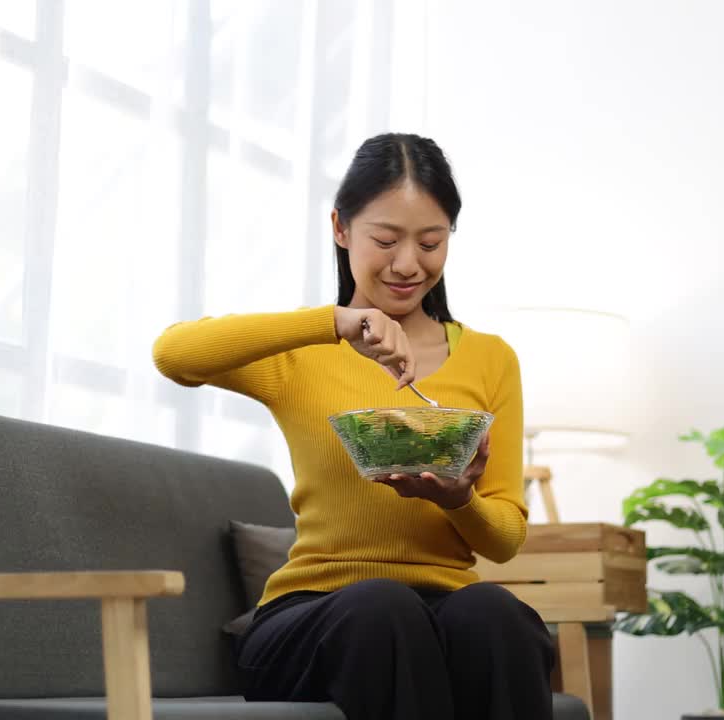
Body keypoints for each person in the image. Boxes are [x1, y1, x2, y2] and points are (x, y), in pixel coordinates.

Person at [153, 132, 553, 720]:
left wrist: (460, 499)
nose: (408, 264)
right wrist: (333, 322)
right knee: (383, 609)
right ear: (341, 229)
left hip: (443, 609)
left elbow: (504, 541)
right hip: (314, 615)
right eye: (386, 240)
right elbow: (174, 355)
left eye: (431, 242)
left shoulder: (493, 360)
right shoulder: (305, 353)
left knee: (497, 615)